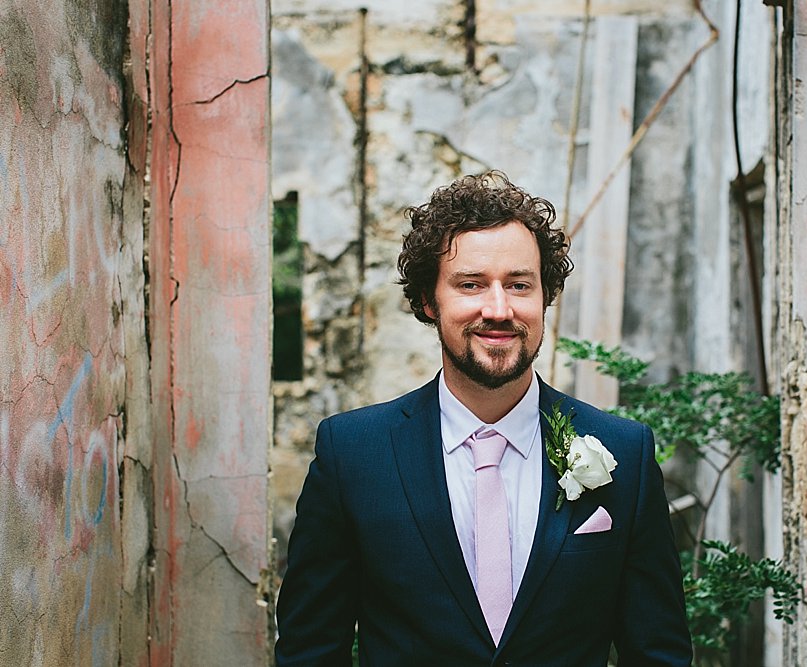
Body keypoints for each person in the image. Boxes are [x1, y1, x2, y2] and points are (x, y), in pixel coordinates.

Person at [275, 171, 692, 666]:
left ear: (545, 297)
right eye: (470, 285)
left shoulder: (625, 452)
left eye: (519, 285)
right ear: (430, 301)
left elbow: (658, 653)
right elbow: (310, 651)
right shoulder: (352, 454)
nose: (498, 309)